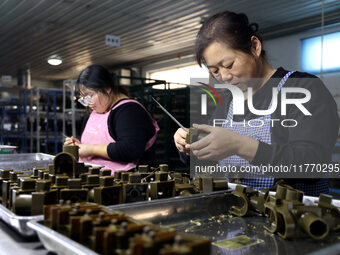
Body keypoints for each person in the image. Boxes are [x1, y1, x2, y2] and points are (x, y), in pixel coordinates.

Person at [174, 11, 339, 196]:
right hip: (239, 215)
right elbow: (210, 164)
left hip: (294, 217)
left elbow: (312, 164)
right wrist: (190, 147)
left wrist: (240, 145)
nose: (225, 77)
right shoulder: (229, 101)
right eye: (215, 71)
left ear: (254, 46)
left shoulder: (303, 89)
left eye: (228, 65)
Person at [64, 65, 159, 174]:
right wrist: (79, 146)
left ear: (107, 88)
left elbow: (130, 149)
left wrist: (90, 149)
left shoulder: (130, 111)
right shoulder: (95, 111)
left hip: (122, 183)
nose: (88, 103)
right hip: (89, 175)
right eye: (83, 98)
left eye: (90, 95)